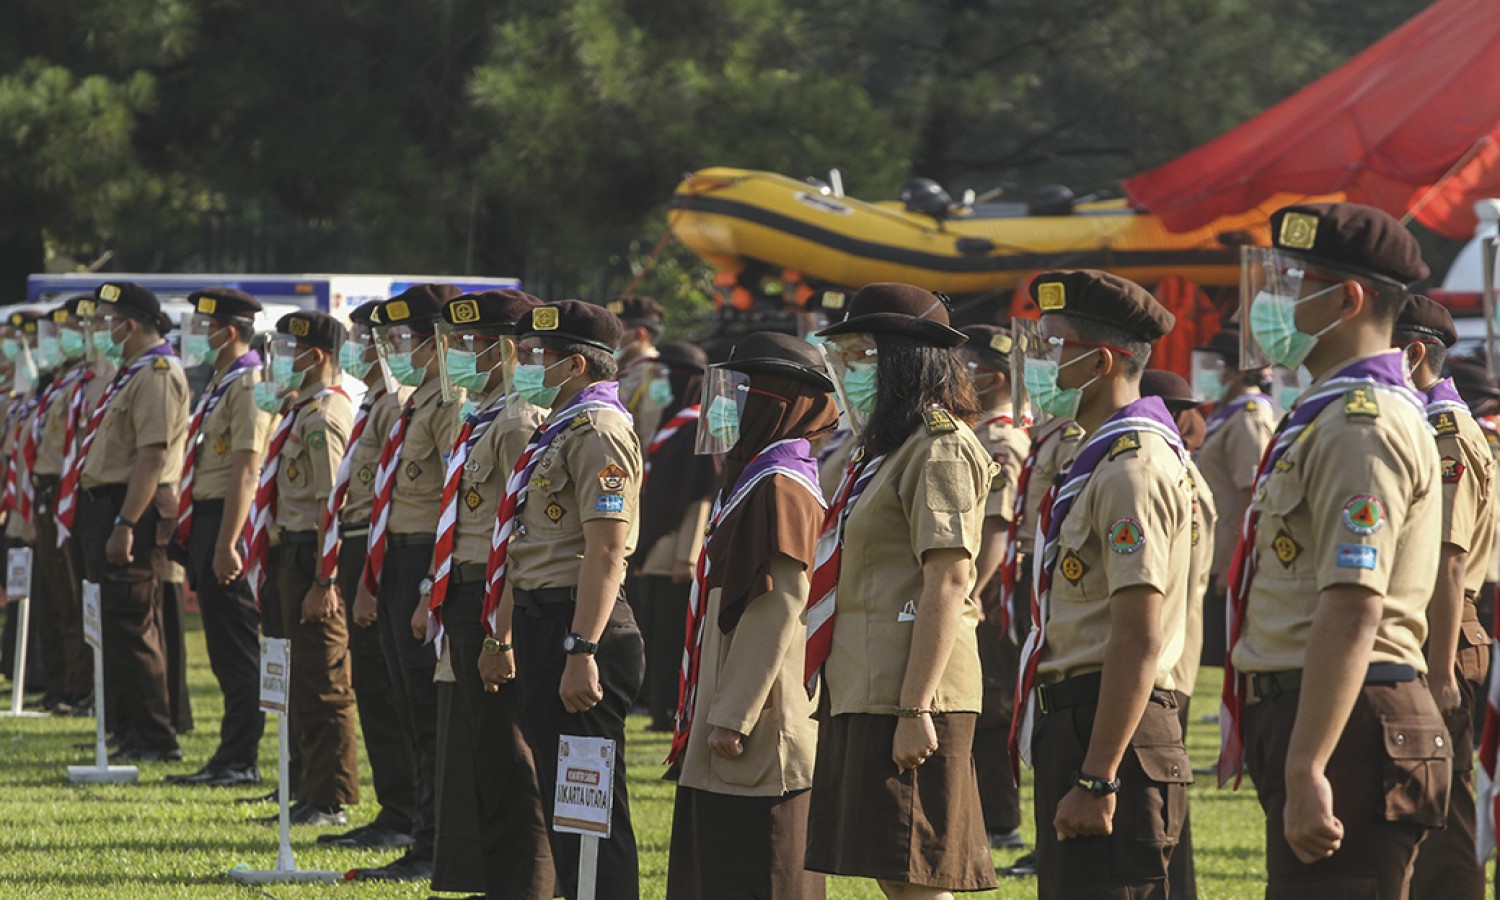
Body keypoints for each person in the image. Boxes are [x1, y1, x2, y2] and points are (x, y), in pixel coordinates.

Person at [1223, 203, 1448, 896]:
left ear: (1347, 299)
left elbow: (1353, 604)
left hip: (1350, 718)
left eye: (1290, 284)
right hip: (1323, 709)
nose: (1269, 303)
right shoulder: (1329, 414)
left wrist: (1307, 764)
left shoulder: (1361, 424)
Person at [806, 282, 997, 897]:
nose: (847, 371)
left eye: (861, 355)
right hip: (867, 685)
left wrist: (916, 709)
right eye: (843, 356)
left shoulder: (940, 447)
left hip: (911, 693)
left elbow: (948, 579)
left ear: (904, 360)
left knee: (919, 879)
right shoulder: (886, 451)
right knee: (894, 872)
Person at [1008, 271, 1193, 898]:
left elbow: (1138, 637)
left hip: (1111, 727)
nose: (1036, 363)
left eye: (1051, 347)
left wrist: (1098, 776)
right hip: (1088, 718)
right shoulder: (1097, 456)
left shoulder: (1130, 469)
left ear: (1100, 361)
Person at [478, 300, 646, 900]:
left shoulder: (599, 431)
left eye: (533, 356)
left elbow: (606, 551)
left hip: (580, 626)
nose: (521, 364)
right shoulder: (560, 428)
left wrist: (582, 649)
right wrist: (500, 635)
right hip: (542, 618)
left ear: (574, 365)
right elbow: (524, 546)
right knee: (565, 803)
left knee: (591, 807)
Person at [666, 331, 836, 900]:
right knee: (715, 863)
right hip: (729, 695)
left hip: (758, 716)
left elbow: (779, 606)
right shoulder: (756, 476)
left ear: (773, 404)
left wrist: (733, 715)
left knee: (762, 866)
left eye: (738, 394)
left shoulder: (781, 485)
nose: (723, 409)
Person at [415, 289, 554, 899]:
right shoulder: (483, 416)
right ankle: (496, 880)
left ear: (505, 350)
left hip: (494, 599)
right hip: (464, 592)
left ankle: (526, 884)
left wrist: (503, 630)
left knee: (509, 752)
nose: (459, 354)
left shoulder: (519, 420)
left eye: (472, 343)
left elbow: (521, 530)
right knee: (480, 748)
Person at [350, 283, 461, 882]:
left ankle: (435, 842)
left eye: (404, 339)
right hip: (395, 558)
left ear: (436, 341)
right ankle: (417, 829)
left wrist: (428, 590)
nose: (395, 350)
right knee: (403, 703)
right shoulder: (414, 401)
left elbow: (452, 504)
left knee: (426, 708)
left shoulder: (450, 402)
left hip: (425, 563)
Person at [1396, 295, 1494, 899]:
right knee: (1419, 802)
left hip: (1444, 631)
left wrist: (1438, 672)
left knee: (1444, 811)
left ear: (1414, 354)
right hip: (1429, 626)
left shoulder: (1446, 431)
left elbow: (1449, 556)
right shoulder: (1421, 423)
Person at [246, 310, 359, 825]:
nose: (278, 362)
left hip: (310, 557)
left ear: (314, 356)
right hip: (286, 552)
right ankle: (304, 784)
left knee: (322, 680)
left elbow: (329, 504)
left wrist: (324, 578)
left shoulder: (325, 416)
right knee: (295, 678)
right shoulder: (300, 410)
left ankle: (328, 796)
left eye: (289, 352)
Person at [68, 283, 188, 762]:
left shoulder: (157, 374)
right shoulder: (132, 373)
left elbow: (152, 457)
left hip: (132, 506)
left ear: (129, 325)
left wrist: (124, 523)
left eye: (104, 320)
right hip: (108, 505)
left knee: (133, 622)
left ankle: (156, 737)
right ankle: (128, 729)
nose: (98, 329)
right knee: (114, 625)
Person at [317, 300, 418, 850]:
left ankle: (405, 812)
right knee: (374, 687)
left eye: (367, 338)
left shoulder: (397, 402)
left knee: (386, 686)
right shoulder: (374, 401)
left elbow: (392, 491)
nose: (357, 347)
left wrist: (368, 578)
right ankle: (394, 807)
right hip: (361, 540)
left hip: (380, 546)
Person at [165, 288, 270, 788]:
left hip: (228, 521)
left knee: (237, 648)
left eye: (203, 327)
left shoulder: (249, 383)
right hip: (207, 517)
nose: (196, 336)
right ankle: (229, 752)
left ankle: (240, 758)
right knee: (223, 649)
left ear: (228, 332)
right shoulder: (223, 381)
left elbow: (247, 470)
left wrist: (228, 543)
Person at [1140, 367, 1217, 900]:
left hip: (1164, 655)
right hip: (1173, 651)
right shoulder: (1180, 469)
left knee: (1159, 801)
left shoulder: (1169, 472)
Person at [954, 324, 1031, 850]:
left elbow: (997, 531)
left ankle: (1000, 821)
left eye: (966, 368)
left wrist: (972, 593)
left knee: (993, 702)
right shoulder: (980, 432)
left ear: (993, 378)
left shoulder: (999, 440)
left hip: (993, 590)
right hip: (983, 587)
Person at [632, 340, 720, 732]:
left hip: (676, 553)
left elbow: (702, 494)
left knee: (671, 635)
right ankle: (655, 706)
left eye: (662, 375)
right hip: (654, 547)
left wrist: (688, 554)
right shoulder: (671, 423)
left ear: (682, 380)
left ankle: (670, 708)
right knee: (653, 632)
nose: (656, 383)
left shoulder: (698, 427)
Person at [1192, 327, 1273, 669]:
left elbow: (1250, 494)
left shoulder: (1249, 417)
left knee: (1219, 654)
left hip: (1225, 554)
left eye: (1215, 366)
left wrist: (1232, 563)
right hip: (1210, 549)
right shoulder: (1224, 413)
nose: (1205, 374)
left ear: (1238, 371)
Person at [31, 297, 94, 715]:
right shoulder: (60, 384)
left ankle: (79, 687)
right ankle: (65, 683)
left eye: (69, 330)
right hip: (49, 491)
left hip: (69, 492)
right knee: (57, 597)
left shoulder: (87, 383)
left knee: (74, 598)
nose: (59, 340)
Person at [609, 295, 668, 447]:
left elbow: (650, 437)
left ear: (639, 334)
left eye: (616, 331)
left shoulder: (655, 375)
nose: (610, 339)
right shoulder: (622, 371)